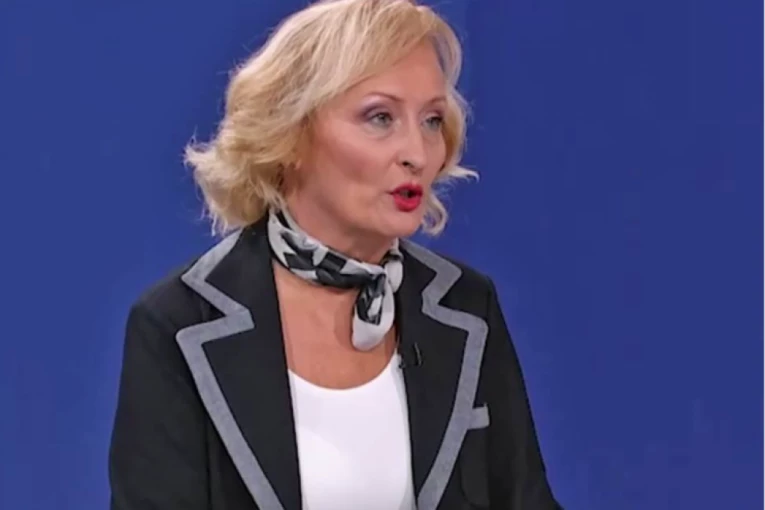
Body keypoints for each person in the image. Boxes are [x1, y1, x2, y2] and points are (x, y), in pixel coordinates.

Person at [108, 0, 561, 508]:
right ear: (291, 135)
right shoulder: (178, 324)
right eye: (380, 117)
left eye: (432, 120)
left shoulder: (466, 306)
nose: (417, 152)